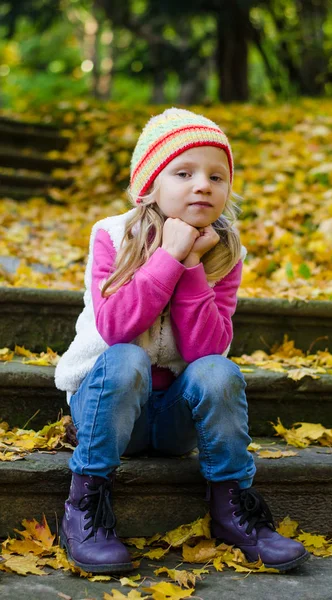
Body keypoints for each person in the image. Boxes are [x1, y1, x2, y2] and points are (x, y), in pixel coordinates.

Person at [55, 108, 309, 574]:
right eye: (184, 172)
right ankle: (85, 505)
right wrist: (168, 256)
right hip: (109, 412)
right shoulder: (113, 235)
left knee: (219, 370)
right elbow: (116, 328)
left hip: (176, 420)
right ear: (149, 185)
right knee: (127, 357)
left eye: (217, 175)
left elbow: (205, 353)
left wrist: (192, 266)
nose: (203, 185)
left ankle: (232, 509)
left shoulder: (225, 250)